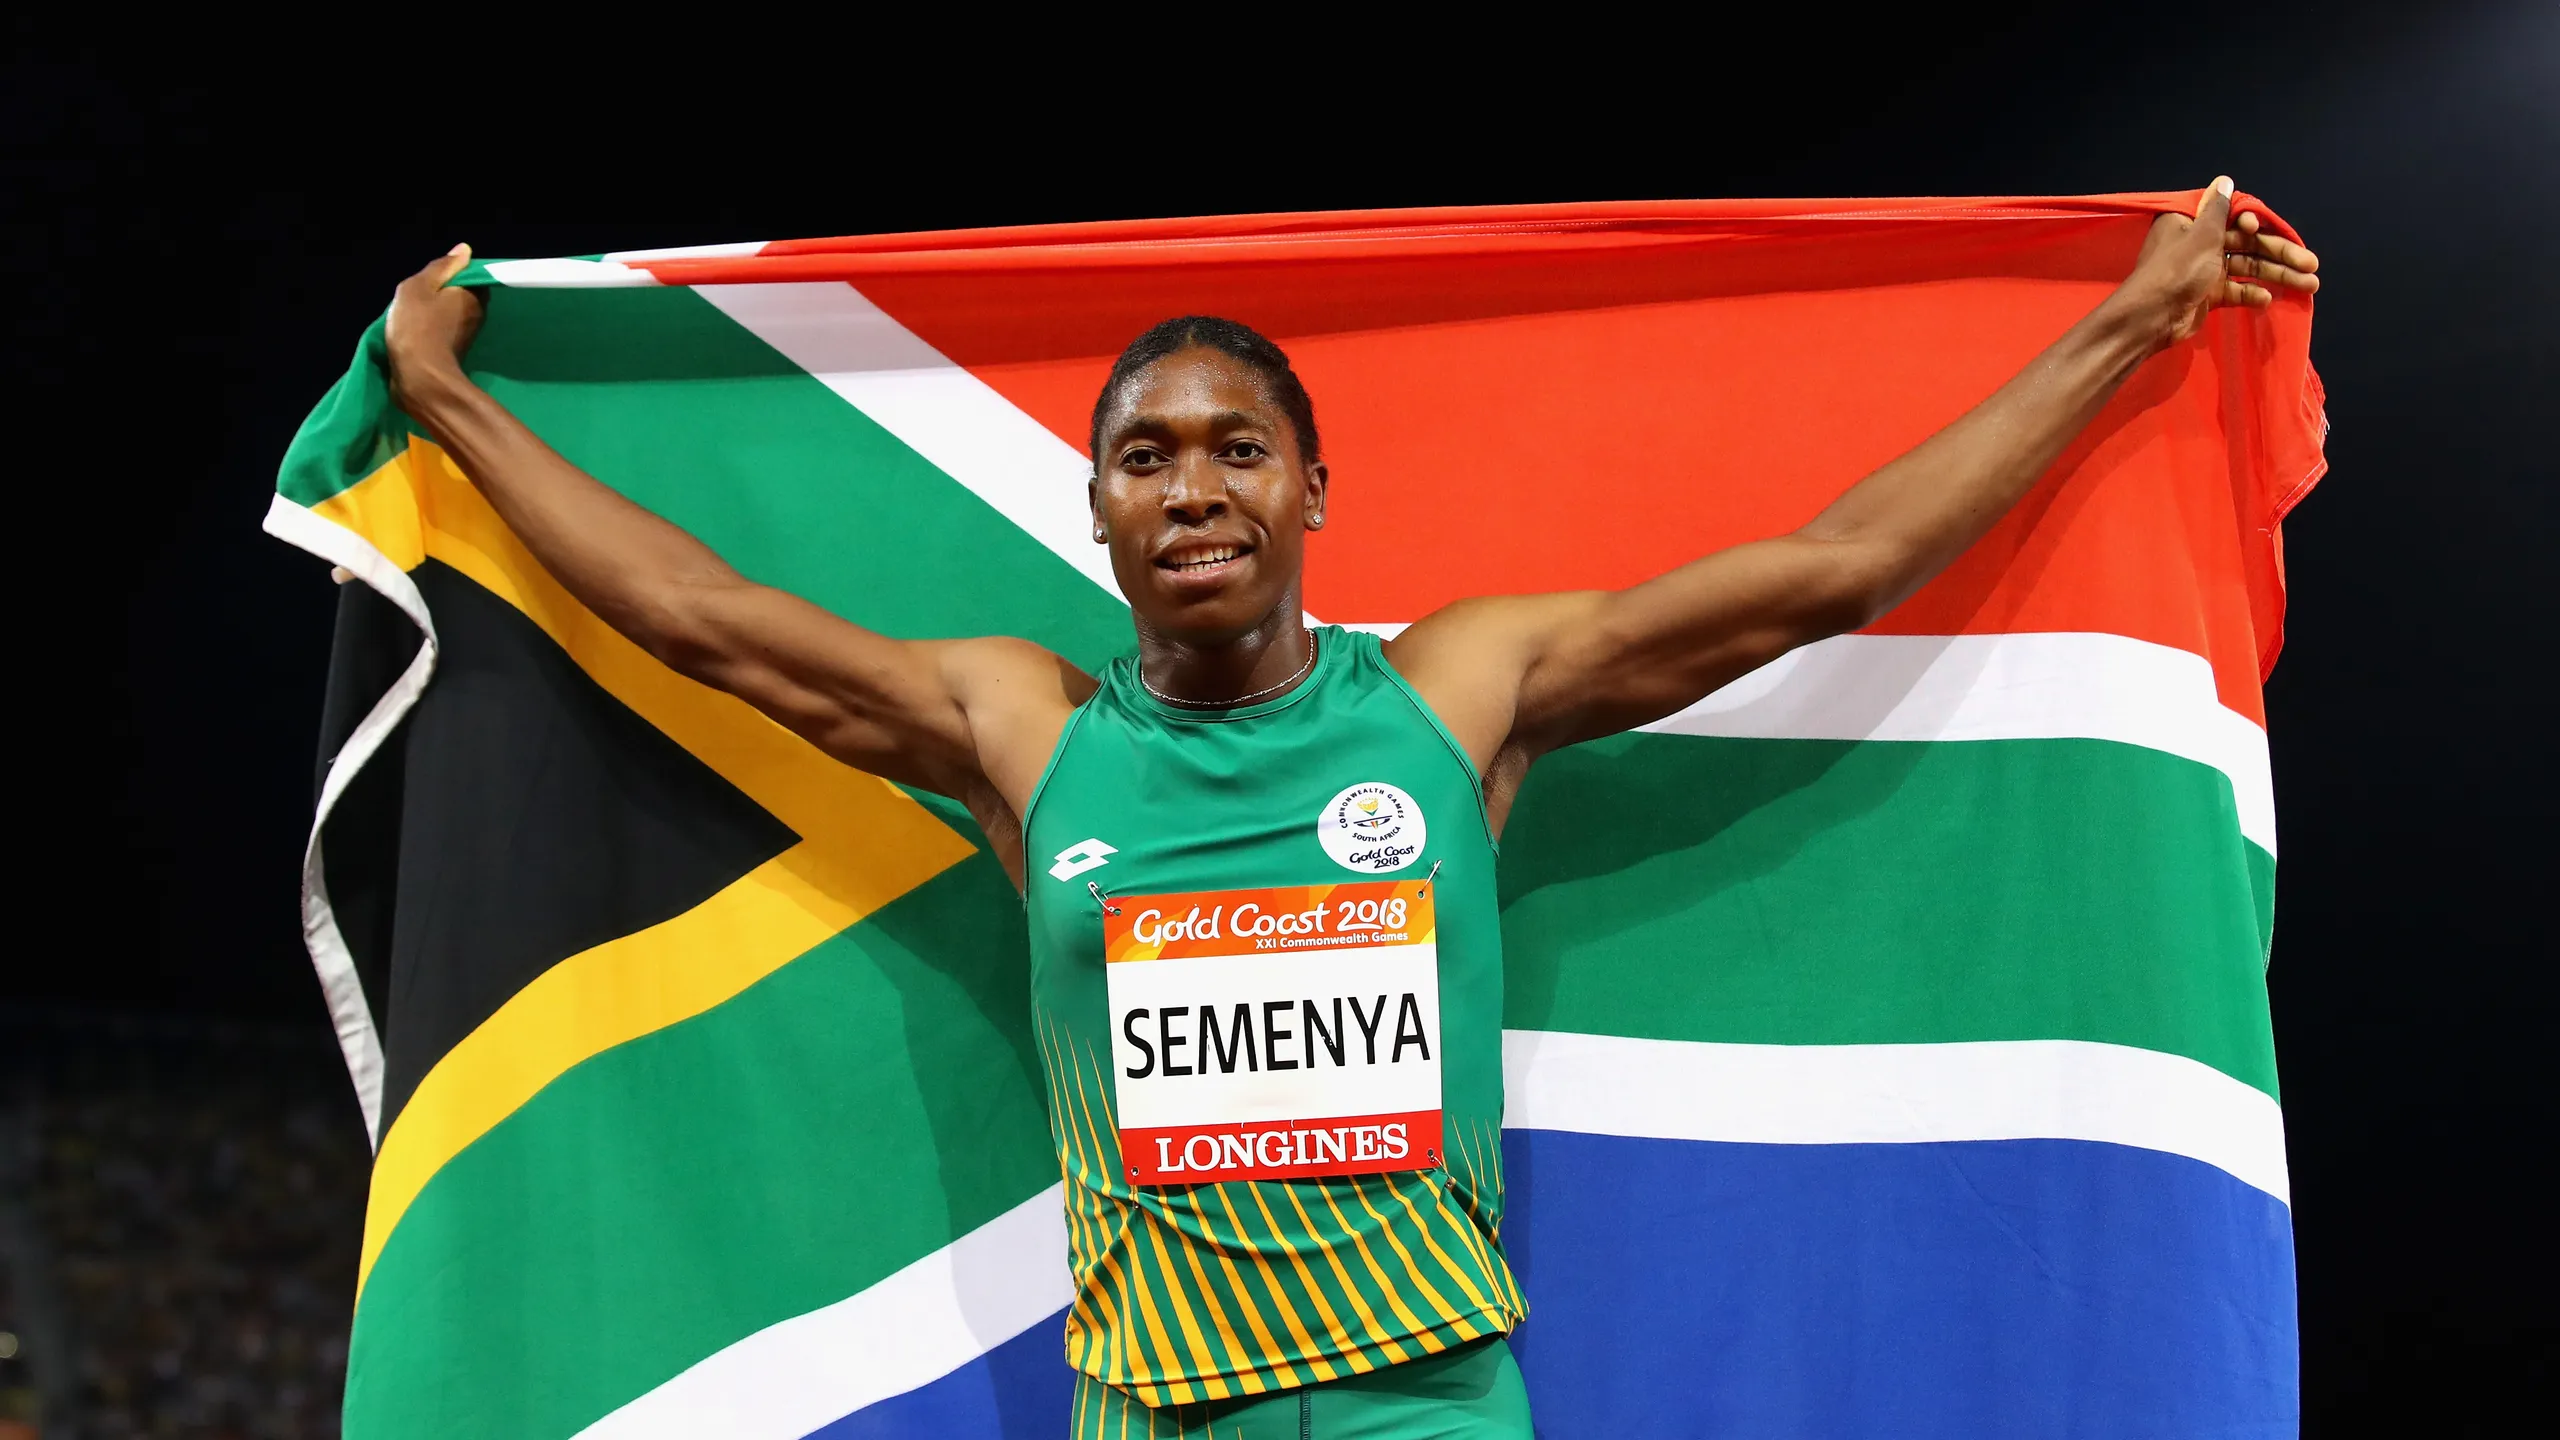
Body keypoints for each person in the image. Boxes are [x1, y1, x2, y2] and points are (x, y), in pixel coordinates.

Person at [381, 180, 2317, 1439]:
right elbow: (703, 616)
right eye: (1144, 458)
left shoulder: (1457, 694)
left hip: (1423, 1399)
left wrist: (2129, 319)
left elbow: (1832, 568)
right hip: (1152, 1405)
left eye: (1238, 448)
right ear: (1097, 512)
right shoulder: (1020, 730)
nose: (1191, 487)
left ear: (1313, 491)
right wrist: (451, 401)